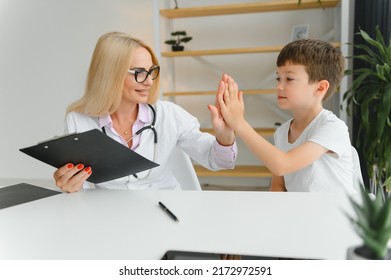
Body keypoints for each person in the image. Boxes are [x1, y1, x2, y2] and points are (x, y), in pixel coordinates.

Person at [53, 32, 237, 192]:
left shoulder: (169, 115)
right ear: (110, 75)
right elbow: (80, 192)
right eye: (139, 72)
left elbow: (218, 161)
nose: (149, 81)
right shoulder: (79, 121)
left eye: (151, 71)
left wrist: (225, 137)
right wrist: (71, 187)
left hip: (166, 209)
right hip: (113, 216)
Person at [217, 39, 355, 193]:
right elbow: (278, 186)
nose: (279, 86)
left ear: (320, 87)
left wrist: (240, 124)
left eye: (289, 79)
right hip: (301, 215)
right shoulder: (282, 132)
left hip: (334, 216)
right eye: (278, 78)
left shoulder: (332, 127)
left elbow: (283, 164)